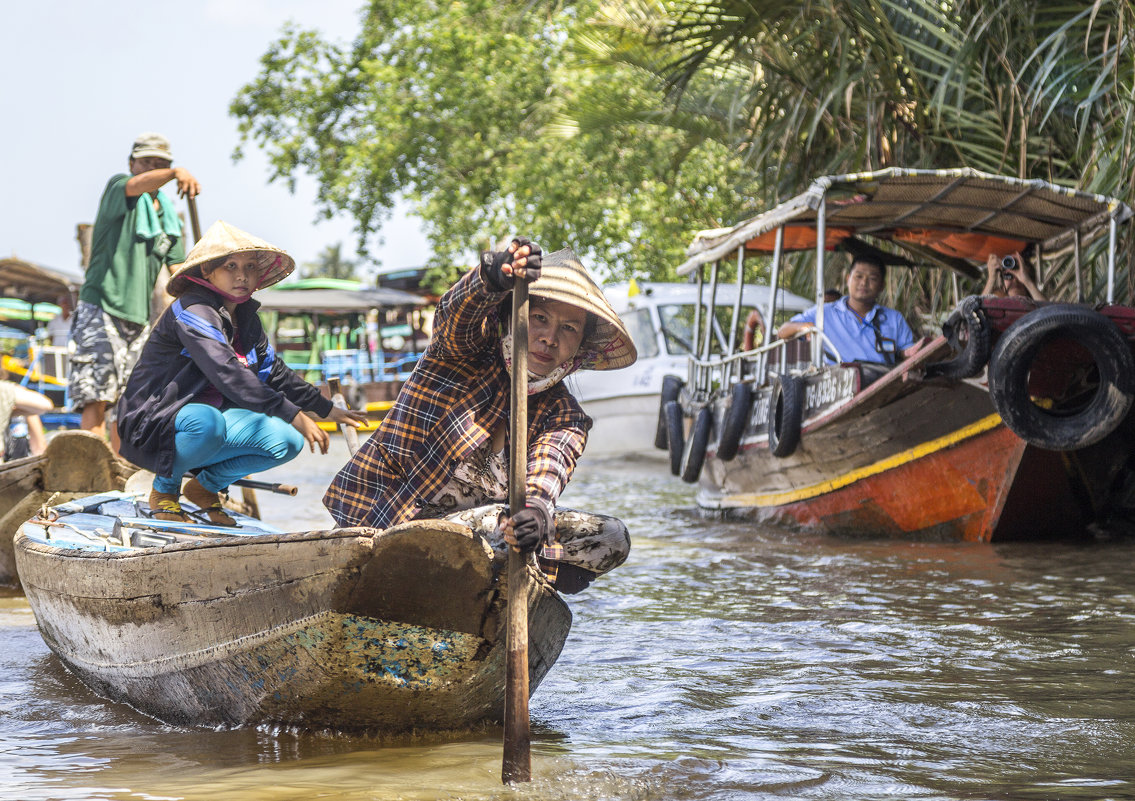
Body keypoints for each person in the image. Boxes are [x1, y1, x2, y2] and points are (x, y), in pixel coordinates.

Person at [323, 239, 638, 593]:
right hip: (394, 526)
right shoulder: (462, 355)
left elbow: (549, 469)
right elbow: (455, 315)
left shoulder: (565, 416)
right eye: (539, 318)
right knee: (495, 520)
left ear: (580, 345)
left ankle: (521, 579)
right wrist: (492, 273)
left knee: (612, 537)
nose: (550, 338)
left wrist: (535, 515)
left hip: (492, 539)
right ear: (513, 316)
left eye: (569, 328)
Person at [117, 221, 368, 525]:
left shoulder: (247, 319)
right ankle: (165, 492)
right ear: (207, 271)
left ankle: (204, 487)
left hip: (210, 420)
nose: (242, 275)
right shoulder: (192, 309)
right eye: (230, 266)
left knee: (287, 441)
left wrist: (325, 409)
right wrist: (291, 412)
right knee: (207, 424)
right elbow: (226, 372)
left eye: (250, 267)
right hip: (155, 421)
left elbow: (273, 372)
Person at [71, 132, 201, 453]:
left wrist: (205, 299)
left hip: (140, 319)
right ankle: (90, 470)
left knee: (130, 398)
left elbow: (177, 271)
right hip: (102, 307)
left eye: (161, 164)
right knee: (97, 393)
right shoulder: (120, 188)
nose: (152, 169)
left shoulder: (167, 218)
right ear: (132, 164)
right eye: (146, 162)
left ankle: (120, 468)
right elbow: (136, 186)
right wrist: (174, 173)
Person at [776, 254, 917, 365]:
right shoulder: (824, 313)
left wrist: (915, 351)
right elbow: (783, 331)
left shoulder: (894, 318)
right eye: (858, 276)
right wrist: (806, 327)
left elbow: (907, 351)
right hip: (838, 385)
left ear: (882, 286)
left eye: (872, 279)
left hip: (884, 385)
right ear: (848, 279)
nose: (864, 283)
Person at [981, 251, 1048, 301]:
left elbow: (1049, 312)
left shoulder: (1033, 305)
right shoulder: (995, 303)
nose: (1015, 280)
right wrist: (991, 279)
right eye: (1008, 275)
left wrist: (1027, 281)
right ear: (1001, 282)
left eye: (1019, 276)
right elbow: (974, 311)